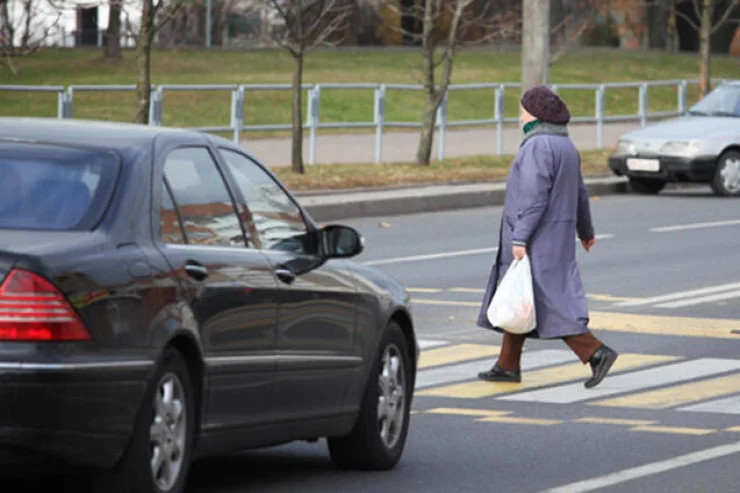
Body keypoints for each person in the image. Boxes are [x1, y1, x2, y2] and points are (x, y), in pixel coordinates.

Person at [476, 85, 618, 389]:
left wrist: (519, 238)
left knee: (544, 300)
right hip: (558, 236)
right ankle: (507, 365)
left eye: (523, 110)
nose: (519, 115)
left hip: (538, 237)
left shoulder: (536, 146)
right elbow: (580, 192)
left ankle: (595, 352)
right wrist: (586, 231)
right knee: (521, 297)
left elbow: (533, 197)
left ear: (535, 115)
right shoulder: (566, 146)